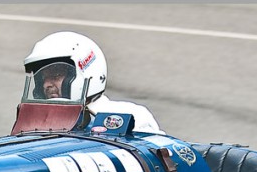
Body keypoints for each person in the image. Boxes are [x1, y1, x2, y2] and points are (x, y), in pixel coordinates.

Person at [23, 31, 164, 134]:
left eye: (56, 76)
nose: (46, 85)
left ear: (86, 72)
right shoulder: (35, 125)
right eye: (43, 78)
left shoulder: (129, 115)